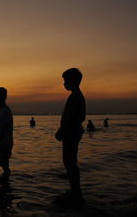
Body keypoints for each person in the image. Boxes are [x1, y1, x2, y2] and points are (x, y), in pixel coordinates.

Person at [55, 68, 85, 205]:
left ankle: (76, 194)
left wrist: (62, 130)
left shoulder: (76, 97)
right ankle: (75, 191)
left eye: (65, 80)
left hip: (71, 132)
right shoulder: (76, 95)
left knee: (70, 162)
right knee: (70, 161)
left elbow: (73, 118)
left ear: (73, 81)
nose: (64, 83)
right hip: (72, 132)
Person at [0, 87, 13, 176]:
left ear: (4, 97)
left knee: (4, 162)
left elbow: (6, 126)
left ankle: (6, 179)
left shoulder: (6, 111)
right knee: (1, 162)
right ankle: (5, 179)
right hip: (0, 139)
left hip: (5, 140)